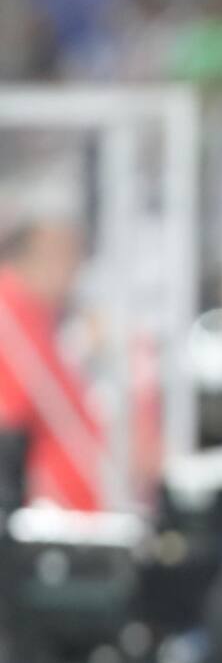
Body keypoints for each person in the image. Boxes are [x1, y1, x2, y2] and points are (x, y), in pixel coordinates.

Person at [0, 206, 105, 511]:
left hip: (70, 512)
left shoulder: (41, 318)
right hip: (43, 513)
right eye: (68, 256)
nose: (75, 271)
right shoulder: (11, 317)